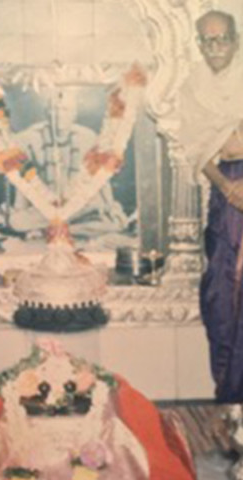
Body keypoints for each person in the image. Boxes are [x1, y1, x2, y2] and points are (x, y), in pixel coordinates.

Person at [179, 10, 243, 402]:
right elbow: (197, 148)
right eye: (208, 40)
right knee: (220, 295)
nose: (215, 48)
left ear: (236, 40)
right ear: (199, 44)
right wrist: (228, 186)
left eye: (222, 39)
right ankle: (233, 400)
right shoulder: (192, 88)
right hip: (224, 192)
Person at [9, 90, 130, 240]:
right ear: (47, 113)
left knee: (116, 221)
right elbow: (23, 180)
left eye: (65, 110)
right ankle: (65, 228)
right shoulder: (30, 138)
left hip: (80, 206)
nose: (59, 115)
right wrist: (19, 211)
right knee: (16, 222)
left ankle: (53, 231)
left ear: (74, 114)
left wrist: (110, 205)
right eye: (55, 109)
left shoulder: (88, 137)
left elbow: (100, 177)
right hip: (46, 207)